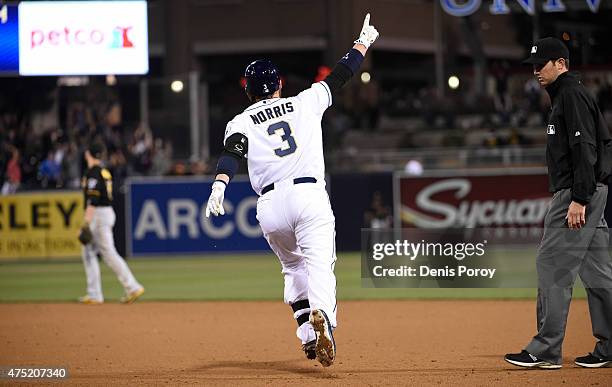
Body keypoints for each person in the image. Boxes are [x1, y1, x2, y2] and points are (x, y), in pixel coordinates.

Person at [205, 14, 379, 367]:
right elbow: (342, 74)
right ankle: (323, 321)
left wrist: (219, 186)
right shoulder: (304, 101)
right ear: (279, 84)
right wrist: (364, 41)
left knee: (293, 268)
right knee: (320, 266)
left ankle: (306, 335)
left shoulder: (240, 121)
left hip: (270, 206)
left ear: (248, 91)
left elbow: (231, 154)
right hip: (308, 195)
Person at [505, 37, 612, 369]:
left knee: (551, 266)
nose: (536, 71)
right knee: (598, 274)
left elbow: (586, 149)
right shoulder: (567, 95)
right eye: (533, 66)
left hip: (578, 193)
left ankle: (546, 349)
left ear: (561, 64)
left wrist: (579, 198)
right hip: (588, 190)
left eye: (542, 64)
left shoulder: (571, 94)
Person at [79, 142, 145, 304]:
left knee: (105, 253)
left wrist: (86, 223)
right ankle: (98, 292)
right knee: (91, 251)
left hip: (98, 214)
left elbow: (93, 200)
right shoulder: (104, 171)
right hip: (106, 212)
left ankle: (131, 286)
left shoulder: (93, 173)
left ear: (88, 154)